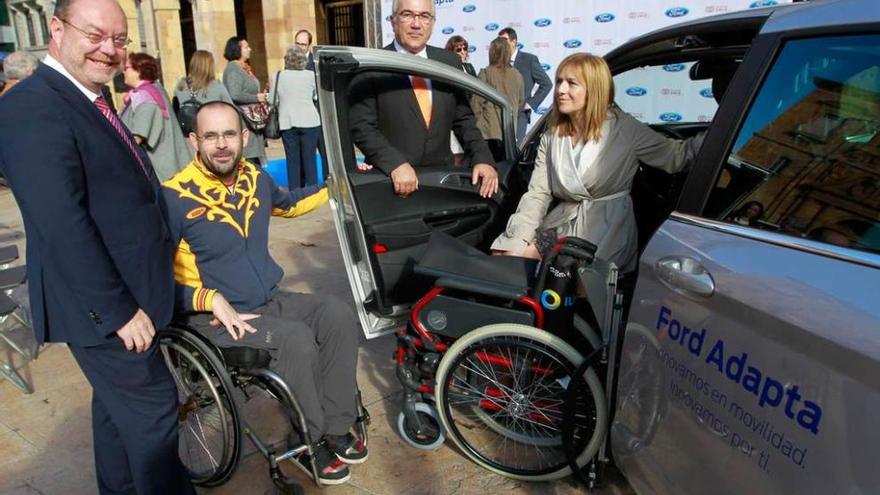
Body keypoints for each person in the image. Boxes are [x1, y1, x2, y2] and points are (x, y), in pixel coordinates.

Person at [0, 0, 194, 493]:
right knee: (153, 413)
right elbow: (60, 222)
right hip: (106, 308)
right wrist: (118, 311)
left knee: (116, 414)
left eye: (119, 39)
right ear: (57, 29)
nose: (109, 50)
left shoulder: (89, 98)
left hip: (131, 294)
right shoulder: (31, 104)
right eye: (95, 35)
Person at [162, 101, 366, 485]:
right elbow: (151, 278)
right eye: (210, 136)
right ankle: (310, 440)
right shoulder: (173, 197)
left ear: (243, 137)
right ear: (194, 141)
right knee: (296, 341)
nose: (221, 145)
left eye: (228, 134)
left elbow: (289, 204)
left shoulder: (254, 177)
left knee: (337, 314)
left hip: (266, 301)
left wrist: (340, 184)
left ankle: (337, 426)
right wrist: (205, 299)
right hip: (212, 320)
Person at [492, 53, 702, 273]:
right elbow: (538, 194)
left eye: (571, 83)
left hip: (608, 229)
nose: (561, 90)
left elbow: (676, 156)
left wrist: (722, 134)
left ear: (594, 89)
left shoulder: (624, 128)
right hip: (560, 224)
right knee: (511, 260)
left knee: (578, 284)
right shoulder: (552, 136)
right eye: (559, 82)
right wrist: (518, 239)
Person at [349, 0, 497, 198]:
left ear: (432, 22)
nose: (416, 24)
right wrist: (394, 164)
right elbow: (362, 126)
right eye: (407, 14)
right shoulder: (372, 65)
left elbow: (464, 120)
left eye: (424, 16)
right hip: (391, 185)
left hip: (442, 183)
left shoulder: (448, 62)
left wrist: (483, 158)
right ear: (393, 21)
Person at [120, 52, 192, 180]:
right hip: (170, 166)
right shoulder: (154, 89)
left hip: (161, 171)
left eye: (126, 68)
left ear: (139, 70)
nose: (123, 72)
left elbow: (136, 138)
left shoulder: (145, 98)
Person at [270, 47, 321, 190]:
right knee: (309, 159)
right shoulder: (311, 75)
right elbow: (316, 96)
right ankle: (312, 191)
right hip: (310, 121)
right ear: (303, 61)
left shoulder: (278, 76)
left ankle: (295, 192)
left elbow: (271, 100)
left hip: (287, 121)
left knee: (292, 160)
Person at [473, 37, 523, 160]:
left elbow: (475, 104)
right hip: (509, 134)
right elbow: (521, 101)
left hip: (488, 135)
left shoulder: (486, 73)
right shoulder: (517, 75)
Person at [498, 27, 552, 142]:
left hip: (520, 114)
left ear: (514, 41)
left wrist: (530, 104)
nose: (501, 44)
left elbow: (547, 84)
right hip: (501, 115)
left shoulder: (529, 60)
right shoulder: (499, 61)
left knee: (516, 149)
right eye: (499, 40)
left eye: (504, 40)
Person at [223, 35, 267, 166]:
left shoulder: (245, 67)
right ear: (237, 49)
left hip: (252, 119)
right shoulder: (233, 69)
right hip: (243, 120)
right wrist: (256, 97)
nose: (250, 49)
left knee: (254, 160)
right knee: (248, 160)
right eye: (246, 47)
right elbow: (235, 94)